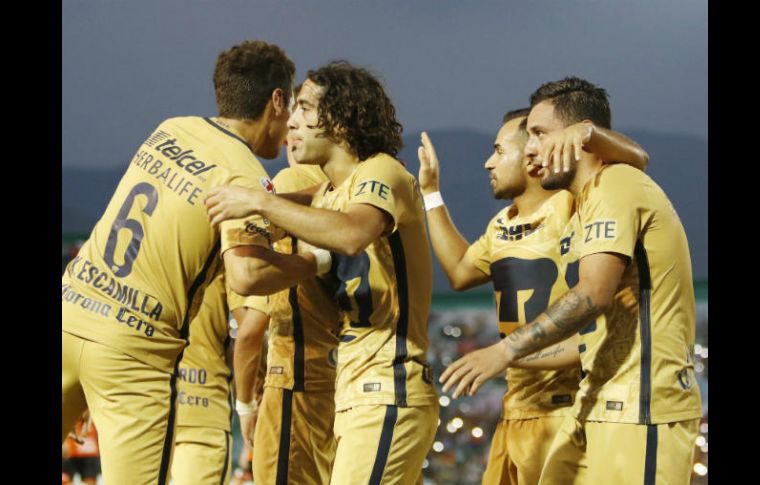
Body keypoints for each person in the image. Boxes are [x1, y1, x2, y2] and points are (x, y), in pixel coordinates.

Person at [439, 77, 702, 484]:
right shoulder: (585, 202)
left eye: (540, 134)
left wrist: (506, 350)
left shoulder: (615, 185)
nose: (530, 148)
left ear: (577, 136)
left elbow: (593, 293)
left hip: (643, 405)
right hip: (596, 402)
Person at [62, 39, 300, 484]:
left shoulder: (170, 128)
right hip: (131, 350)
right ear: (277, 100)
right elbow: (246, 275)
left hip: (71, 311)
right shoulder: (245, 174)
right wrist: (315, 262)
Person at [205, 61, 439, 485]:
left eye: (305, 108)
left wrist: (261, 204)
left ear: (342, 117)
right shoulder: (328, 193)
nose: (290, 121)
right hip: (350, 389)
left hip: (389, 383)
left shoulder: (382, 170)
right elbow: (247, 274)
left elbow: (352, 234)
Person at [418, 107, 647, 485]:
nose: (488, 162)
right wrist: (430, 194)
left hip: (565, 412)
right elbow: (459, 271)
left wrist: (583, 135)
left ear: (531, 158)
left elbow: (633, 162)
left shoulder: (573, 206)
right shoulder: (501, 225)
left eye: (499, 150)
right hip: (515, 410)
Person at [240, 135, 340, 485]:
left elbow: (251, 327)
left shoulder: (285, 183)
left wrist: (245, 405)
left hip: (296, 372)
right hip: (347, 377)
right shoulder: (364, 185)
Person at [171, 272, 270, 485]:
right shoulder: (227, 259)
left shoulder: (145, 250)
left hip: (145, 404)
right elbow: (250, 333)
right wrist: (248, 401)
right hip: (201, 410)